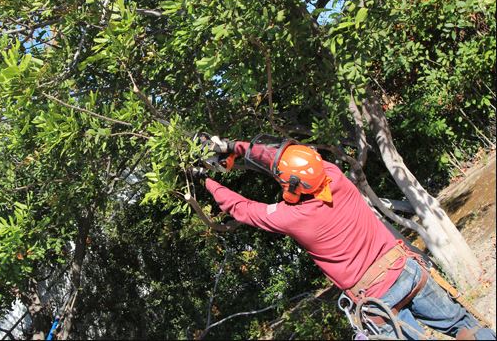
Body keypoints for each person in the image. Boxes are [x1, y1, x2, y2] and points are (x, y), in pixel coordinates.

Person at [194, 135, 496, 340]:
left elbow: (242, 208)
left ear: (292, 185)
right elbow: (285, 161)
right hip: (406, 270)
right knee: (462, 325)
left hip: (377, 302)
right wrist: (234, 147)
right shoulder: (332, 176)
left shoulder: (293, 218)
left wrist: (206, 180)